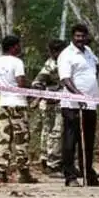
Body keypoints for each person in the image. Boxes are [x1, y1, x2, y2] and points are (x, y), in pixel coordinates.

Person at [58, 23, 99, 187]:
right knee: (71, 141)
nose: (80, 39)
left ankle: (88, 175)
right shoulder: (67, 55)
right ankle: (70, 176)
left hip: (90, 105)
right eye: (77, 36)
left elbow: (96, 68)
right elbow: (65, 79)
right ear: (72, 37)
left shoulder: (89, 52)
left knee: (88, 141)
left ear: (87, 37)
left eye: (83, 36)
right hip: (72, 105)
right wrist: (78, 94)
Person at [0, 35, 37, 184]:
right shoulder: (17, 62)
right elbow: (21, 83)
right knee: (21, 137)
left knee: (4, 136)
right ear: (12, 47)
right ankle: (23, 171)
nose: (20, 48)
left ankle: (1, 171)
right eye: (18, 45)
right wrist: (31, 93)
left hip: (3, 103)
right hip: (18, 103)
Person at [32, 39, 67, 176]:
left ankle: (46, 160)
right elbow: (37, 82)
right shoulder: (51, 65)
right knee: (55, 132)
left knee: (48, 132)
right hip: (51, 104)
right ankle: (52, 164)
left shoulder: (60, 63)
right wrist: (44, 94)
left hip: (57, 102)